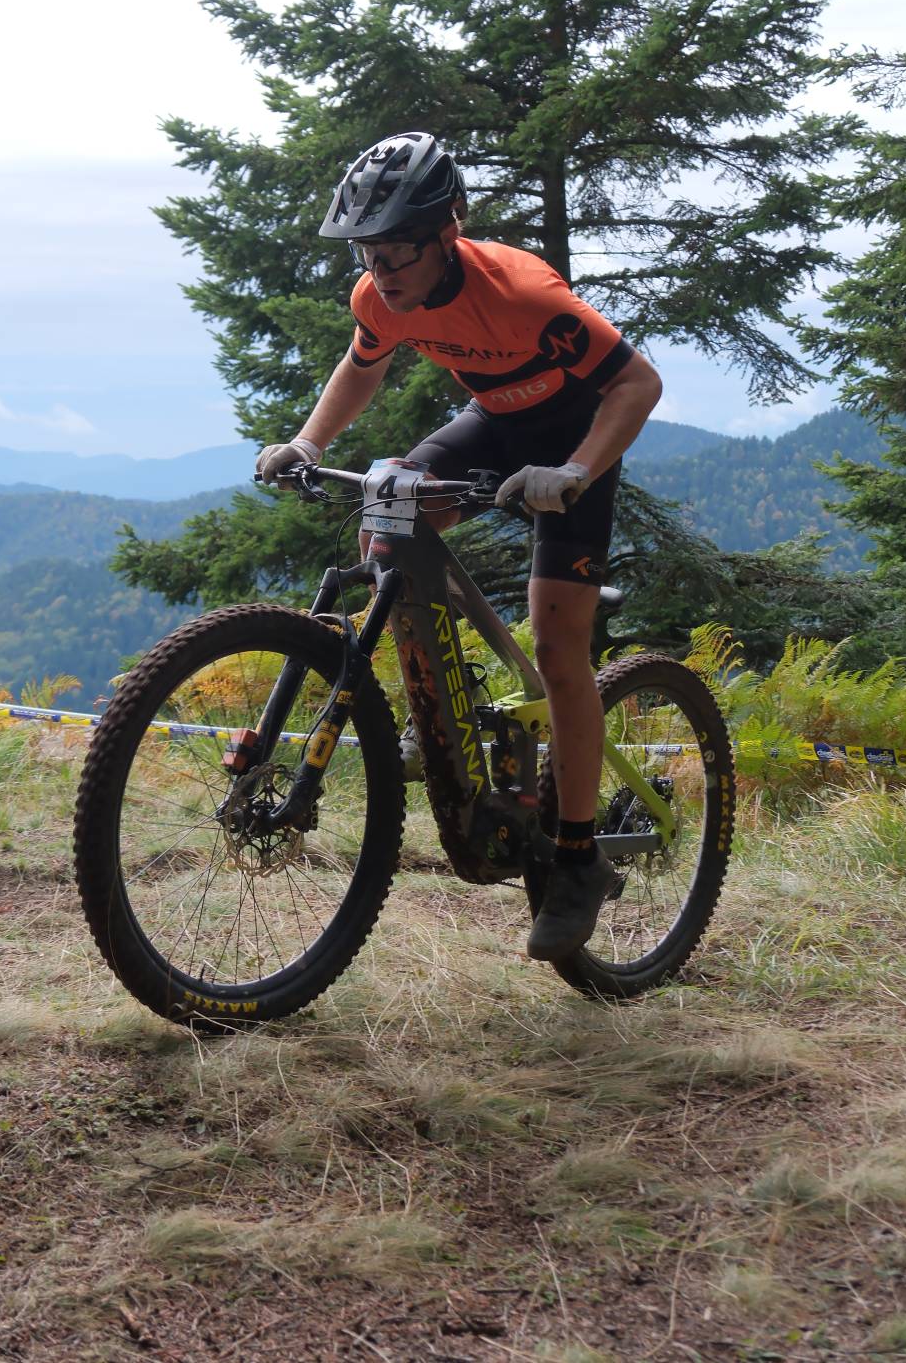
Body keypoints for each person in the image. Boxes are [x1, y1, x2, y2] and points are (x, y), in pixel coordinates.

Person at [256, 132, 663, 963]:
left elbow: (637, 383)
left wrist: (578, 470)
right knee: (386, 521)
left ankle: (578, 859)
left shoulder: (522, 293)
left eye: (397, 247)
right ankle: (432, 708)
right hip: (494, 424)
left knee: (558, 649)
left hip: (575, 440)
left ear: (449, 230)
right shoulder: (380, 296)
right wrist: (306, 441)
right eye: (368, 251)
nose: (381, 268)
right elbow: (362, 368)